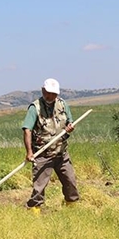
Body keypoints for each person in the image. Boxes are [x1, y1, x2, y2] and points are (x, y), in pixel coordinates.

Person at [22, 78, 79, 212]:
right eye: (48, 93)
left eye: (54, 94)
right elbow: (27, 130)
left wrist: (70, 128)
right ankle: (34, 211)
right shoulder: (34, 108)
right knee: (39, 187)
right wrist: (29, 152)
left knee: (70, 181)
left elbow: (70, 122)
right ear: (43, 91)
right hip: (42, 154)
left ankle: (71, 209)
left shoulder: (63, 104)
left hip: (61, 152)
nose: (51, 96)